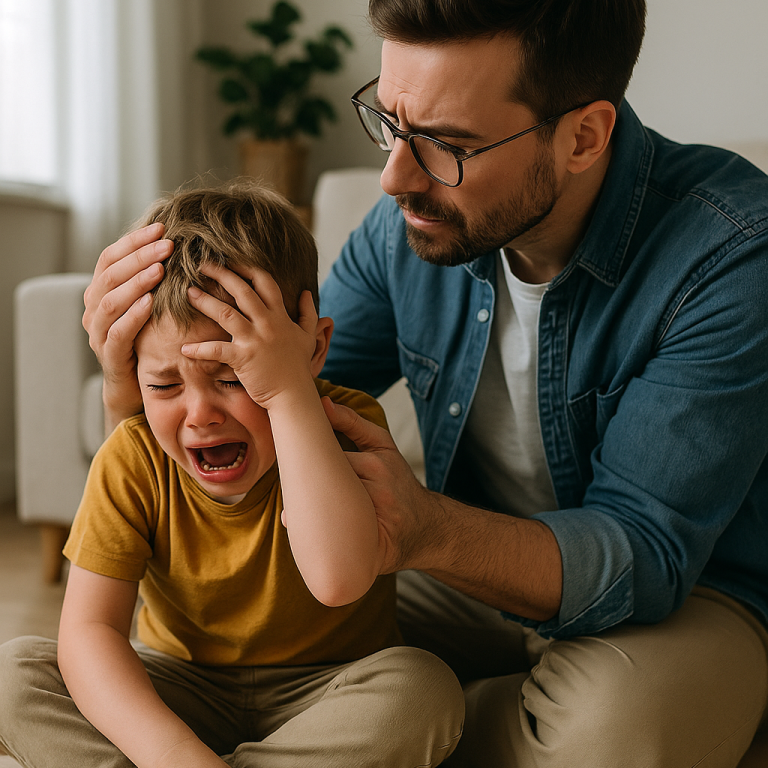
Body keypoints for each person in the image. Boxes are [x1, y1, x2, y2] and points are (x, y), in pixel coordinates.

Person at [74, 0, 768, 766]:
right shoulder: (407, 228)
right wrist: (127, 383)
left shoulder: (731, 255)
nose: (394, 176)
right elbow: (265, 406)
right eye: (392, 121)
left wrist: (428, 529)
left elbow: (645, 553)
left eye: (444, 144)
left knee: (614, 740)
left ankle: (411, 730)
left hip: (682, 596)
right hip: (460, 575)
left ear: (583, 136)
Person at [0, 181, 464, 768]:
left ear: (312, 349)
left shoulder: (347, 425)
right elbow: (90, 633)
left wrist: (289, 392)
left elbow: (339, 578)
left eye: (232, 376)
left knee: (421, 689)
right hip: (180, 687)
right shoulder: (134, 457)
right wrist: (171, 754)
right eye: (164, 385)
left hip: (328, 689)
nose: (199, 414)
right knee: (15, 675)